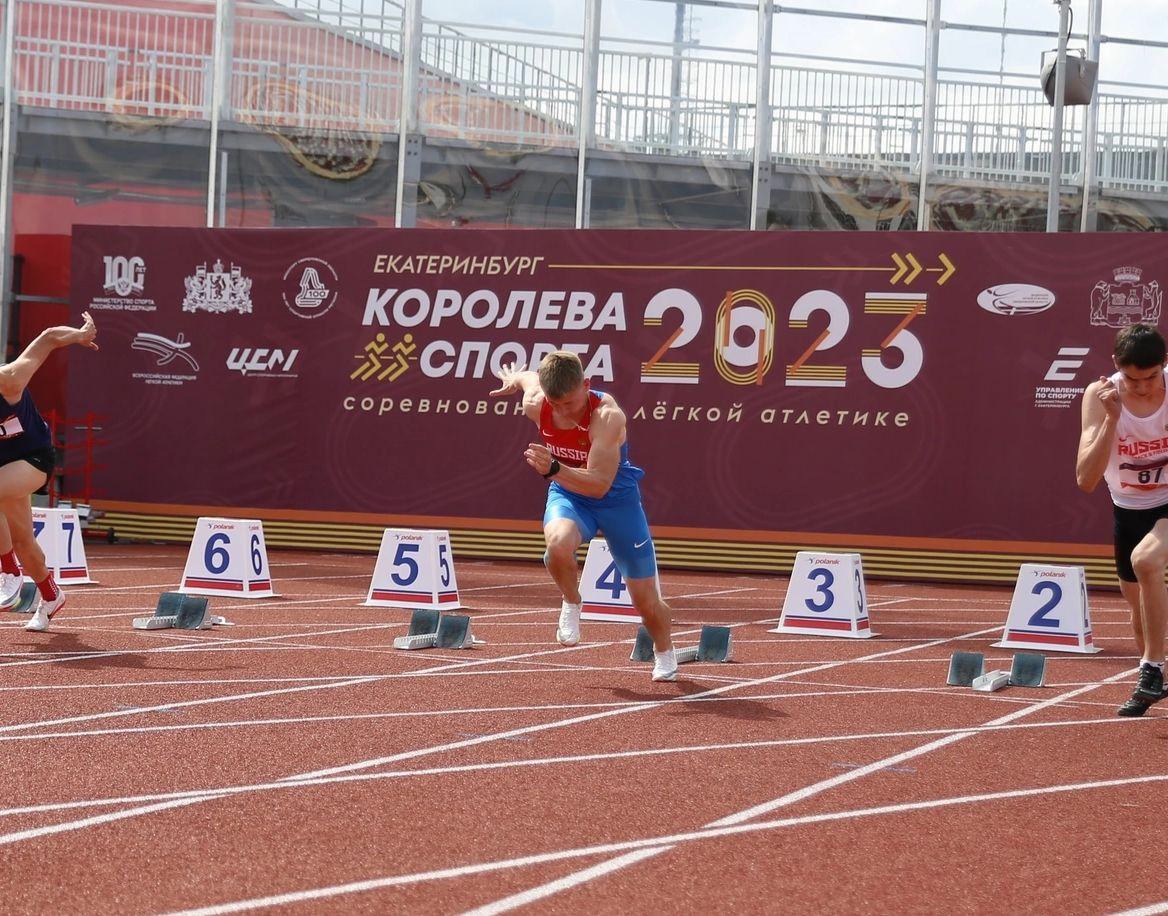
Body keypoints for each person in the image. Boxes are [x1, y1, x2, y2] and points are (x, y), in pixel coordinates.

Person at [489, 351, 678, 680]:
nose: (564, 411)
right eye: (556, 404)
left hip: (617, 502)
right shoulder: (536, 402)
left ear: (587, 386)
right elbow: (528, 380)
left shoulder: (607, 417)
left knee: (646, 603)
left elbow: (600, 485)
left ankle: (665, 651)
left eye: (571, 403)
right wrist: (514, 379)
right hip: (569, 495)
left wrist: (555, 468)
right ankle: (572, 600)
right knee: (558, 546)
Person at [1077, 322, 1168, 716]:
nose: (1143, 387)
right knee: (1138, 614)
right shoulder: (1101, 396)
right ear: (1116, 365)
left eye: (1151, 378)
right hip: (1127, 509)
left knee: (1145, 560)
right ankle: (1151, 682)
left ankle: (1152, 666)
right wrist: (1113, 419)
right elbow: (1085, 479)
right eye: (1133, 379)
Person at [0, 311, 99, 631]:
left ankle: (9, 573)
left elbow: (47, 338)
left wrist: (79, 335)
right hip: (6, 469)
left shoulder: (10, 379)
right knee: (24, 542)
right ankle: (50, 595)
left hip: (34, 460)